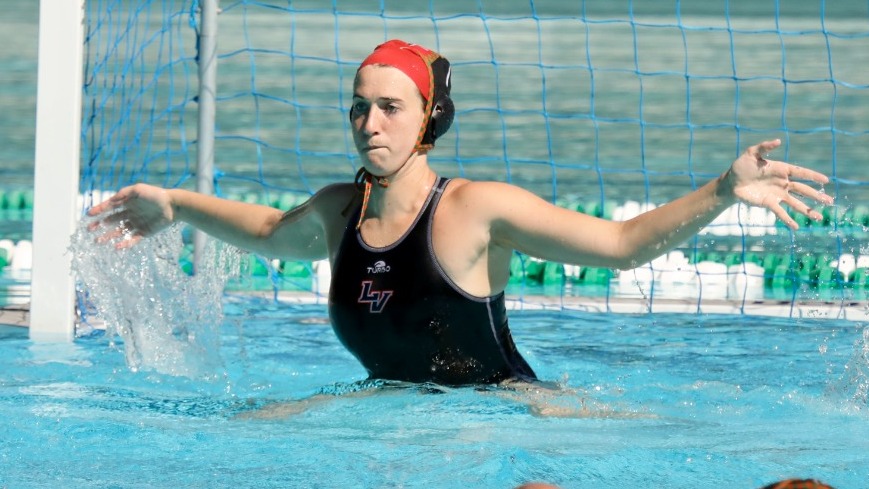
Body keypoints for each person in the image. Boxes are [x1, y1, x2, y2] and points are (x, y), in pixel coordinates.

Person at [88, 39, 833, 387]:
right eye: (358, 107)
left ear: (428, 118)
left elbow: (619, 244)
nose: (368, 124)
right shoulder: (337, 208)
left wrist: (721, 189)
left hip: (501, 412)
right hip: (383, 409)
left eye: (388, 107)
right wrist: (176, 204)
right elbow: (265, 233)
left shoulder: (478, 210)